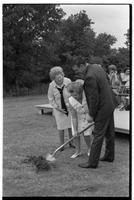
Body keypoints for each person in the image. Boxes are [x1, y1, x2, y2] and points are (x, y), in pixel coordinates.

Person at [72, 59, 116, 168]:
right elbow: (107, 81)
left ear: (82, 65)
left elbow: (93, 98)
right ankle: (109, 156)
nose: (78, 72)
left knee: (98, 134)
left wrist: (91, 114)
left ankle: (92, 162)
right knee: (109, 132)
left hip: (103, 107)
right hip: (110, 103)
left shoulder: (89, 76)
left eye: (78, 69)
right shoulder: (97, 67)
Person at [47, 66, 75, 150]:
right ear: (53, 77)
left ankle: (72, 142)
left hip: (70, 107)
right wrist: (57, 108)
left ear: (62, 74)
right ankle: (62, 145)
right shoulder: (51, 85)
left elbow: (73, 92)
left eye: (60, 74)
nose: (59, 76)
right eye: (56, 75)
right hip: (59, 109)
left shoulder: (68, 81)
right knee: (61, 127)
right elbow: (51, 99)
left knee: (71, 126)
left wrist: (72, 104)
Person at [67, 80, 94, 158]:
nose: (74, 97)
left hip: (86, 117)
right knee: (76, 135)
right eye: (72, 95)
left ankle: (89, 149)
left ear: (81, 92)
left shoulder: (86, 97)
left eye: (76, 95)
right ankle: (78, 151)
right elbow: (74, 117)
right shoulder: (71, 100)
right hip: (76, 118)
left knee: (87, 134)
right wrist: (75, 130)